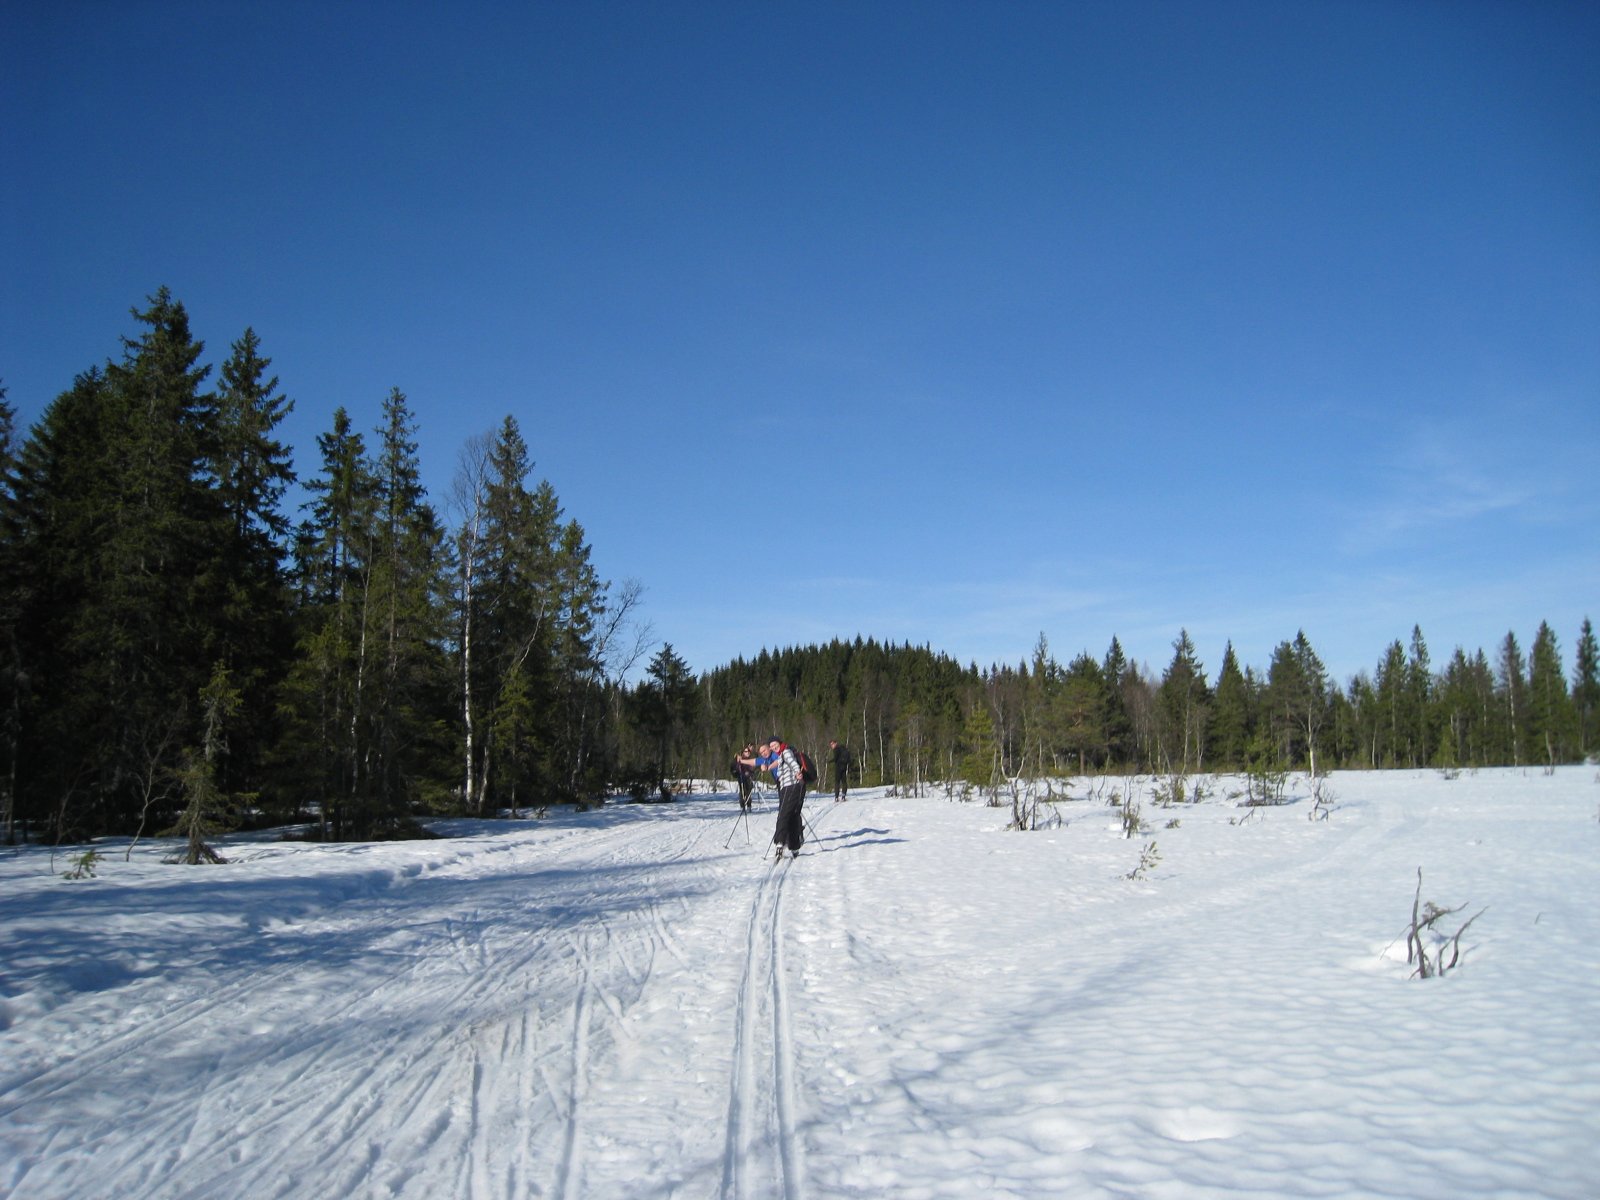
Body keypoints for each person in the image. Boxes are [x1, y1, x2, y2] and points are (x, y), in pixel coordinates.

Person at [738, 736, 806, 858]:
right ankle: (792, 840)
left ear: (770, 748)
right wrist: (742, 761)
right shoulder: (766, 758)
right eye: (761, 752)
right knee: (788, 812)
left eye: (765, 750)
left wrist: (769, 767)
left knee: (786, 813)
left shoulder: (776, 754)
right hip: (783, 785)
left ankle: (785, 839)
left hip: (789, 784)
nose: (763, 753)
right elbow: (754, 761)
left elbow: (782, 760)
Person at [732, 745, 756, 812]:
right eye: (746, 751)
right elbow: (735, 767)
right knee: (743, 791)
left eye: (748, 751)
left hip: (749, 777)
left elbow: (753, 768)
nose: (747, 753)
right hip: (742, 777)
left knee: (749, 792)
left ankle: (749, 805)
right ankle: (742, 806)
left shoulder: (750, 759)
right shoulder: (740, 759)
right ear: (743, 752)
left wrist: (750, 772)